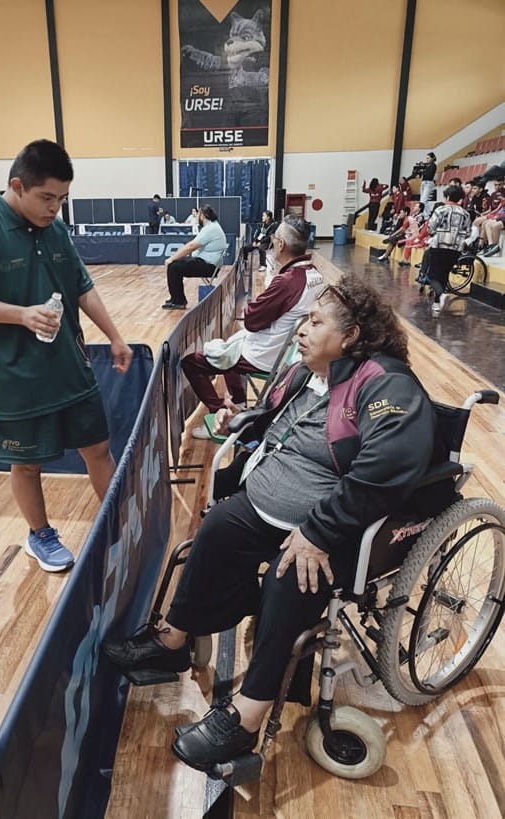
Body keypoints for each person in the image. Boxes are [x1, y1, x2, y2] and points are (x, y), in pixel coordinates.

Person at [103, 275, 436, 773]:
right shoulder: (311, 372)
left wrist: (320, 531)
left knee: (289, 575)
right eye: (304, 319)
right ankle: (173, 641)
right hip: (271, 506)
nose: (302, 330)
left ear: (350, 337)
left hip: (339, 527)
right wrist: (247, 418)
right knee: (216, 530)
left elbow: (387, 466)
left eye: (316, 322)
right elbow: (278, 418)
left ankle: (248, 716)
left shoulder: (386, 385)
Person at [0, 139, 133, 573]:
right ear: (17, 185)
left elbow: (82, 286)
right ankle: (40, 535)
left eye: (62, 199)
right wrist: (21, 315)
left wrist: (116, 337)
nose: (55, 209)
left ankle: (120, 520)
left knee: (98, 448)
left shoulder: (56, 229)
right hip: (14, 378)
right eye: (47, 198)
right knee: (26, 463)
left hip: (70, 366)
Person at [183, 215, 323, 437]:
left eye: (274, 238)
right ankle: (239, 404)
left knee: (191, 362)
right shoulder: (315, 275)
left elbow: (251, 320)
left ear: (280, 244)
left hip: (266, 355)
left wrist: (251, 307)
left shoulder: (286, 282)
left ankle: (222, 417)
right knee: (228, 352)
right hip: (285, 352)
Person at [162, 204, 227, 310]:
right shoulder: (212, 226)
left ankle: (178, 301)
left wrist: (172, 258)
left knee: (173, 267)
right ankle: (176, 297)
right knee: (176, 264)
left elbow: (191, 247)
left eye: (198, 215)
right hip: (207, 263)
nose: (196, 217)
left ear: (203, 215)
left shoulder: (210, 228)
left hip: (208, 266)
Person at [424, 184, 471, 315]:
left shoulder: (441, 210)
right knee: (443, 275)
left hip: (439, 246)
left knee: (432, 276)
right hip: (455, 249)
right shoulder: (466, 214)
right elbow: (467, 233)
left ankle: (441, 295)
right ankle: (437, 303)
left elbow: (430, 228)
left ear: (448, 197)